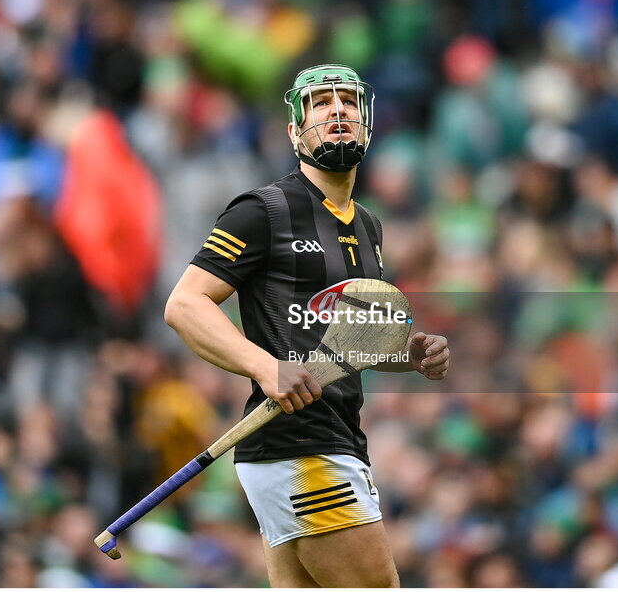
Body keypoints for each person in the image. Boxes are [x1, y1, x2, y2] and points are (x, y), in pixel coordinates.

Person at [164, 64, 450, 587]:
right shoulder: (262, 211)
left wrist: (403, 354)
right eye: (321, 103)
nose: (337, 110)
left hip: (332, 439)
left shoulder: (368, 226)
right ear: (295, 131)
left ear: (366, 123)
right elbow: (184, 305)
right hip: (298, 443)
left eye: (347, 102)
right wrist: (266, 366)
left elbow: (337, 345)